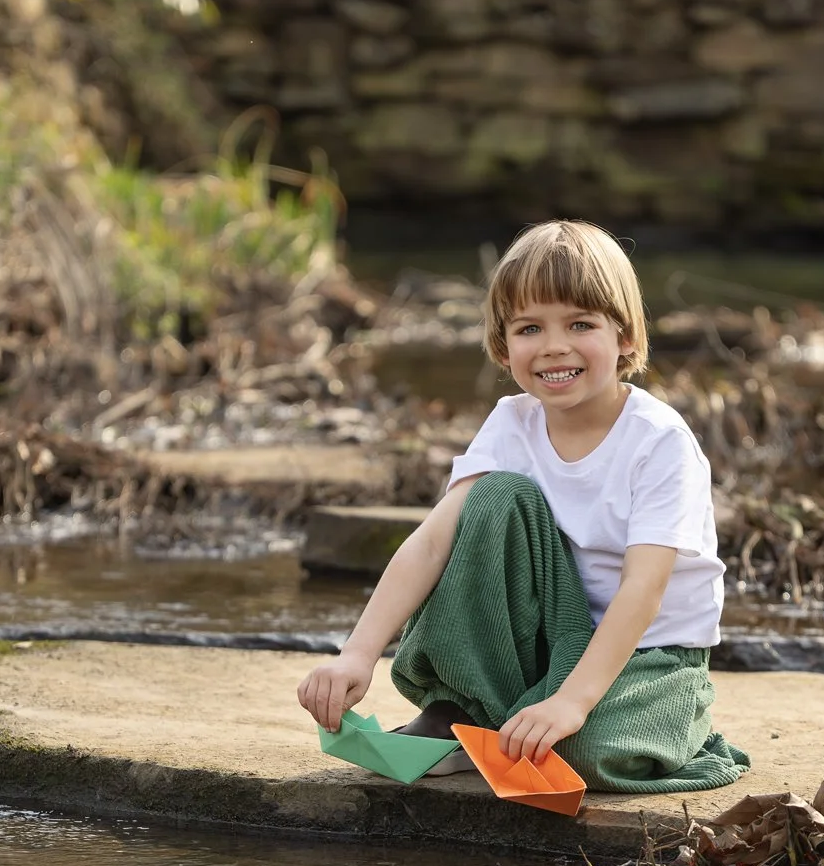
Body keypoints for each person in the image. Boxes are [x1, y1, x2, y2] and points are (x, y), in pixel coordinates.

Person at [297, 220, 749, 793]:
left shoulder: (659, 440)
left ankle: (620, 721)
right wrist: (356, 656)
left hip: (649, 655)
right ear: (503, 344)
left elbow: (644, 588)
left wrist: (572, 702)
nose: (555, 346)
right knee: (490, 499)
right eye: (530, 327)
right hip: (545, 640)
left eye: (580, 324)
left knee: (574, 755)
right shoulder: (512, 422)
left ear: (626, 336)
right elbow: (433, 541)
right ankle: (459, 710)